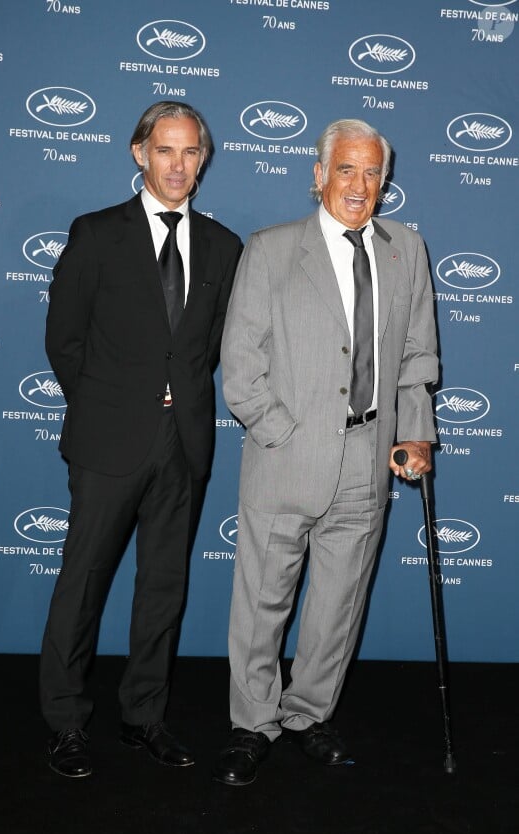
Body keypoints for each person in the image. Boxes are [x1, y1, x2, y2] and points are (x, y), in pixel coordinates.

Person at [214, 118, 439, 786]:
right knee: (262, 604)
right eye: (347, 169)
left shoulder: (407, 250)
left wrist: (415, 432)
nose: (359, 185)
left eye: (372, 173)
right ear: (319, 175)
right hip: (284, 456)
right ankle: (252, 724)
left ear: (385, 182)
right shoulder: (272, 249)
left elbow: (416, 355)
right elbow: (240, 363)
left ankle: (309, 714)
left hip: (369, 459)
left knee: (338, 604)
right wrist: (279, 430)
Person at [40, 101, 242, 778]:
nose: (179, 166)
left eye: (191, 153)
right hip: (107, 440)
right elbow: (63, 341)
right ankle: (67, 722)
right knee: (83, 582)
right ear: (138, 153)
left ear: (204, 159)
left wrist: (173, 398)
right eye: (165, 151)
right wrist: (113, 402)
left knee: (164, 586)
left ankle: (144, 716)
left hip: (181, 443)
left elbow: (210, 346)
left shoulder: (223, 246)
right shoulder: (97, 234)